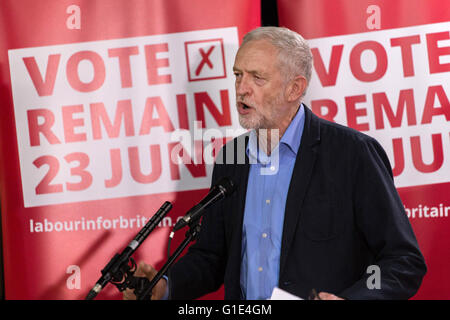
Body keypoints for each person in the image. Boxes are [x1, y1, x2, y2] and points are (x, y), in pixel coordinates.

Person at [124, 26, 426, 300]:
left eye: (257, 77)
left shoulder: (353, 154)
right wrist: (165, 286)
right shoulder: (230, 158)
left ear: (294, 88)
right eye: (238, 75)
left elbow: (402, 261)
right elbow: (212, 256)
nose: (242, 89)